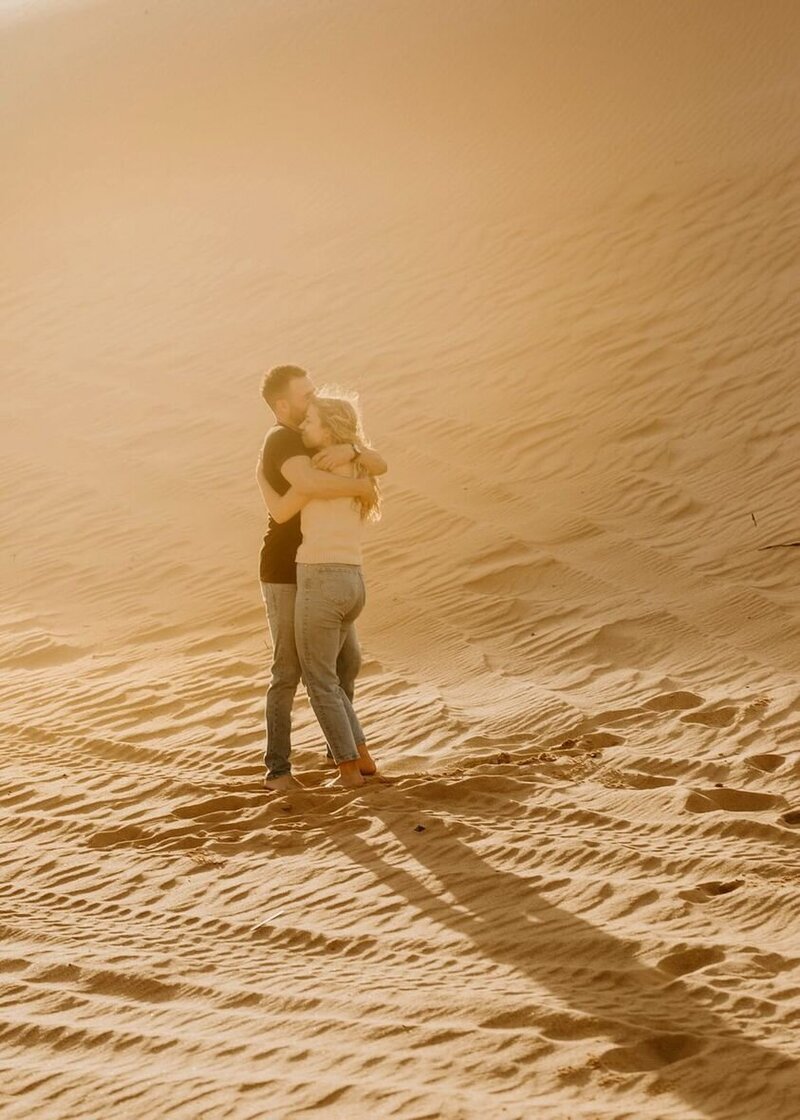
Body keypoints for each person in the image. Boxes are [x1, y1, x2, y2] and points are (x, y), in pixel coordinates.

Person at [255, 366, 387, 791]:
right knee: (290, 670)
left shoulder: (315, 436)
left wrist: (353, 451)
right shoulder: (283, 439)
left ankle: (343, 750)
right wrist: (360, 486)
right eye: (305, 395)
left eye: (314, 394)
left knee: (345, 662)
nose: (311, 401)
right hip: (286, 570)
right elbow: (302, 490)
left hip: (321, 570)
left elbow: (378, 461)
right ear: (282, 405)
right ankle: (279, 769)